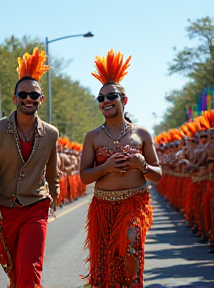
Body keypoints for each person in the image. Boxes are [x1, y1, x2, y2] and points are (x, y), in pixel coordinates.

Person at [0, 47, 60, 288]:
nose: (28, 99)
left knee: (29, 268)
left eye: (34, 95)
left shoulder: (51, 133)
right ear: (15, 98)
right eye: (23, 94)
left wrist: (53, 197)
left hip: (35, 207)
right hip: (3, 209)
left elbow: (53, 172)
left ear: (41, 100)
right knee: (13, 269)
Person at [80, 49, 162, 288]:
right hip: (103, 207)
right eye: (101, 98)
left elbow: (157, 175)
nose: (105, 101)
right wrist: (105, 167)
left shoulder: (142, 134)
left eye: (111, 97)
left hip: (134, 204)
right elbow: (84, 176)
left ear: (123, 101)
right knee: (107, 271)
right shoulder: (92, 137)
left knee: (131, 244)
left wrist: (142, 165)